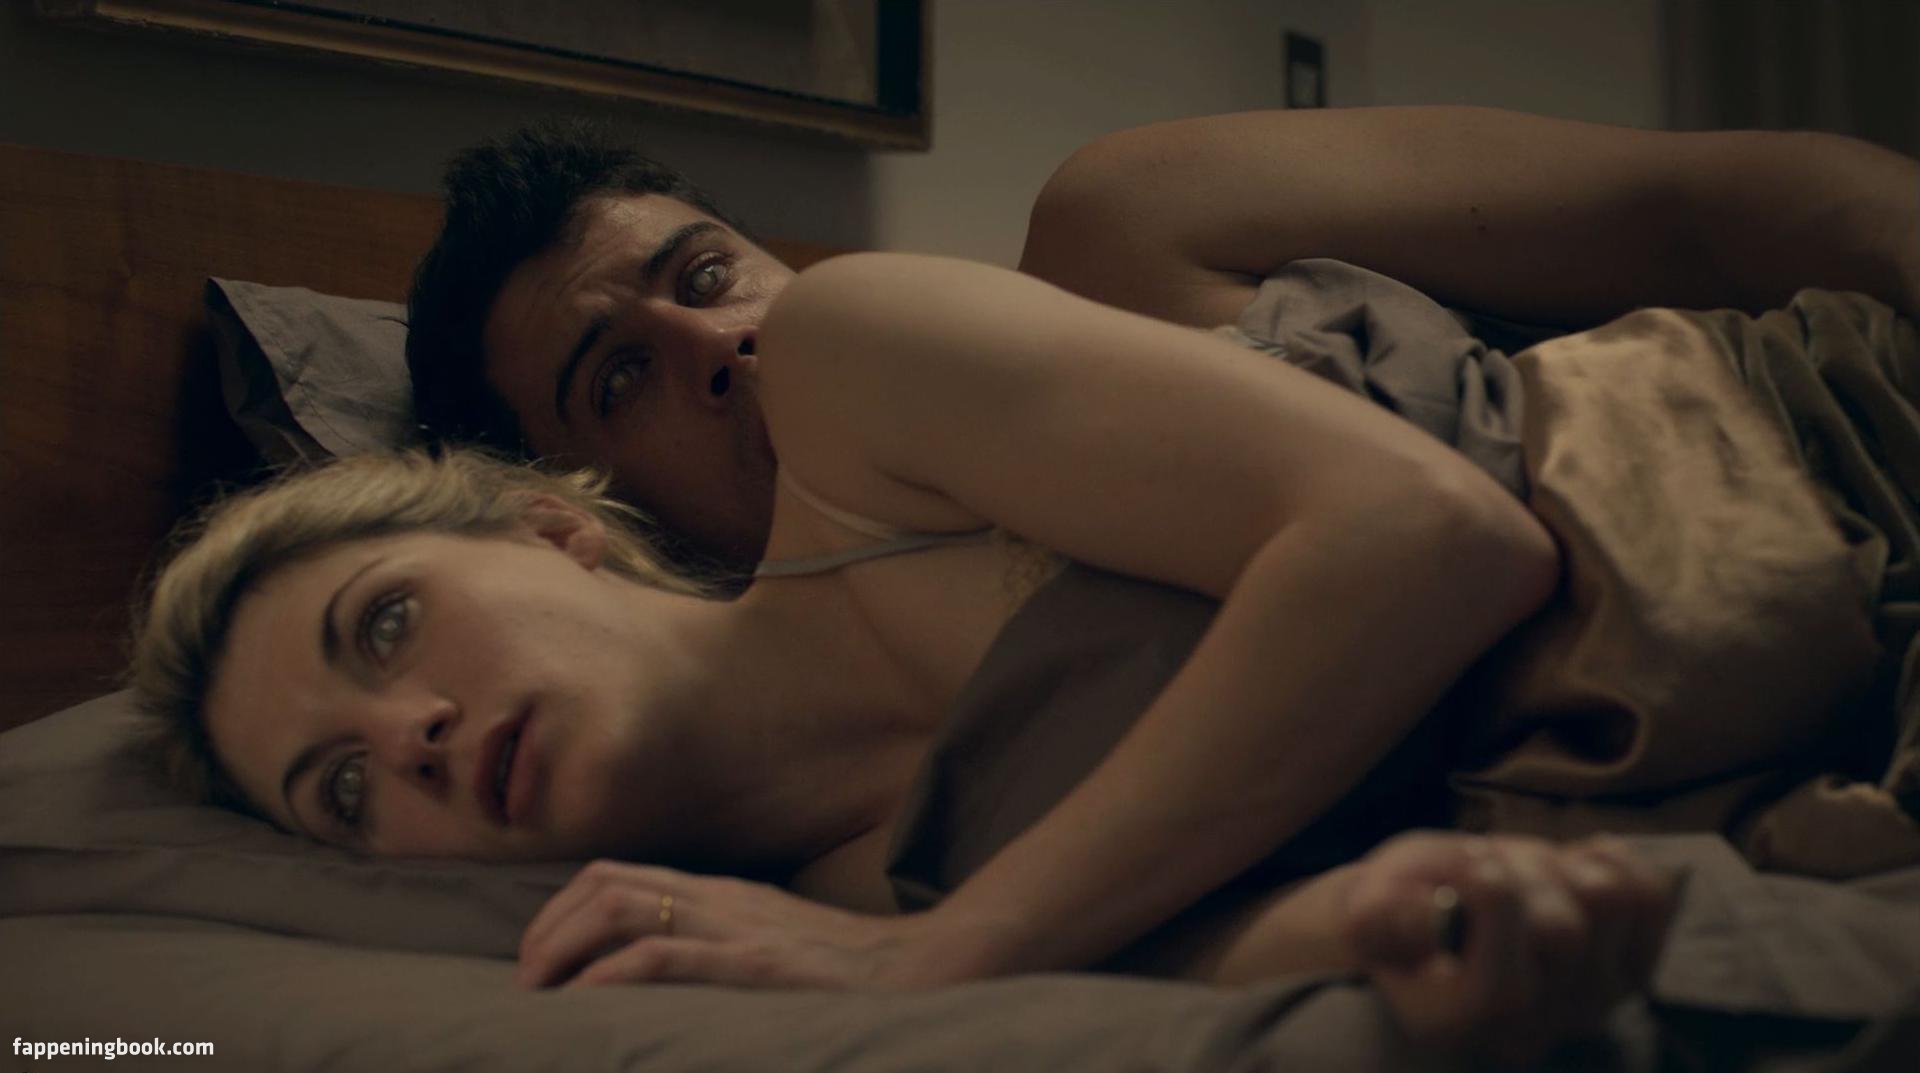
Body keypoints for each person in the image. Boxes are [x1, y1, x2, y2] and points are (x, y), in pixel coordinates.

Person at [136, 248, 1676, 1066]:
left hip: (1740, 477)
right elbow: (1228, 941)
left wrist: (951, 947)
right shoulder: (826, 917)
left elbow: (1433, 532)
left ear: (552, 527)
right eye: (342, 789)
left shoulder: (845, 383)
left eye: (385, 624)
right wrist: (1424, 930)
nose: (406, 734)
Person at [405, 108, 1920, 573]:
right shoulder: (864, 742)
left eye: (710, 272)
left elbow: (1721, 198)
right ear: (594, 514)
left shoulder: (1128, 230)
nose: (721, 343)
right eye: (620, 377)